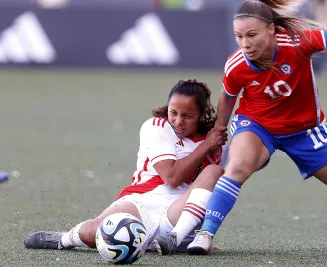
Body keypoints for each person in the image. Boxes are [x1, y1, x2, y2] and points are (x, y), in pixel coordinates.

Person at [160, 0, 327, 255]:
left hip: (305, 130)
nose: (245, 43)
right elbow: (227, 97)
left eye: (251, 35)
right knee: (238, 166)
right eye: (239, 36)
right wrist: (219, 130)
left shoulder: (298, 43)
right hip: (257, 125)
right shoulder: (237, 64)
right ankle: (204, 235)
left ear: (272, 30)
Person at [24, 79, 229, 254]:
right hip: (144, 201)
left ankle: (177, 237)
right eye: (173, 112)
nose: (177, 121)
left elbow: (236, 174)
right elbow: (172, 178)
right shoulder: (156, 127)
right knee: (92, 233)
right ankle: (64, 239)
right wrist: (205, 147)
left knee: (214, 172)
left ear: (202, 115)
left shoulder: (218, 144)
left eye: (187, 116)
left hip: (181, 213)